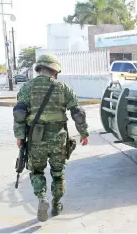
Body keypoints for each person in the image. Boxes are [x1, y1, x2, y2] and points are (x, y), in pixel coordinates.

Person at [13, 54, 89, 222]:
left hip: (35, 139)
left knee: (37, 171)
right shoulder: (63, 87)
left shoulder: (27, 87)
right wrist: (84, 133)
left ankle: (42, 198)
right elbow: (77, 113)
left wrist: (19, 136)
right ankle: (56, 203)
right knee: (58, 173)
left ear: (39, 68)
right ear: (54, 70)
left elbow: (19, 114)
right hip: (58, 138)